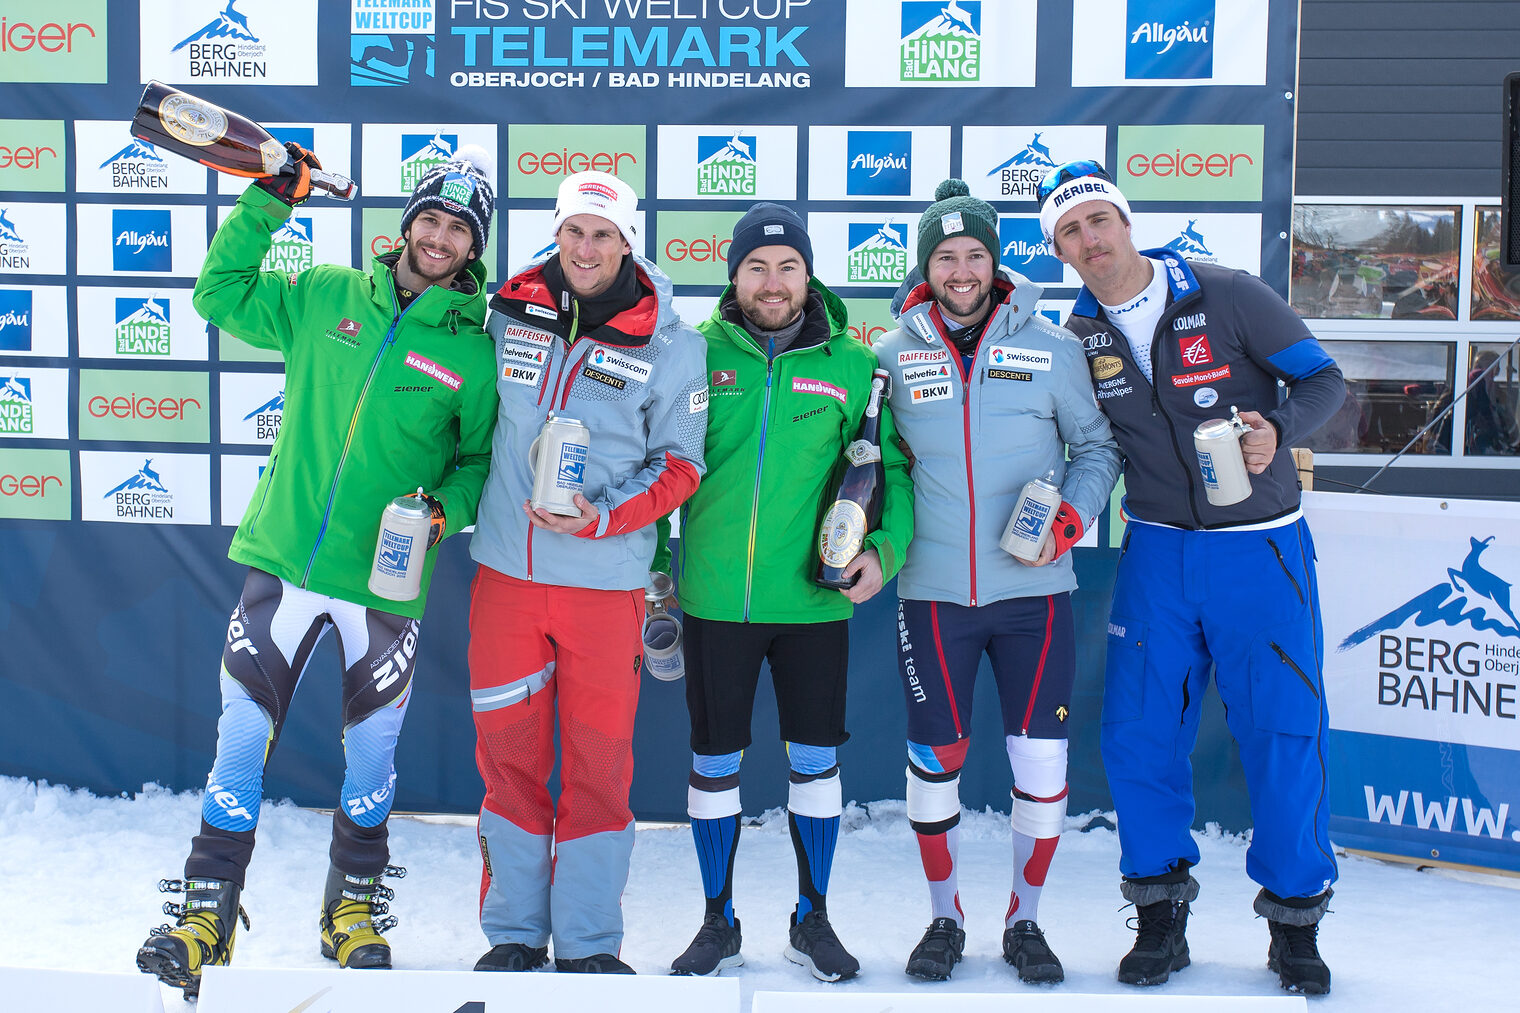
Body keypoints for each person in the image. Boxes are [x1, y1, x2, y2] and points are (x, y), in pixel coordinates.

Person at [136, 145, 500, 997]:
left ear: (472, 248)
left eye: (458, 228)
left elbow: (481, 461)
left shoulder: (477, 353)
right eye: (431, 219)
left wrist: (445, 508)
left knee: (372, 759)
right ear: (406, 223)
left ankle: (353, 910)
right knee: (237, 743)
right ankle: (205, 914)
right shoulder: (327, 295)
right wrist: (268, 202)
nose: (439, 237)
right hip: (286, 565)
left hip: (385, 586)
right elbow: (217, 294)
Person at [1041, 159, 1346, 995]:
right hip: (1159, 553)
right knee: (1139, 733)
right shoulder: (1077, 334)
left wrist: (1276, 431)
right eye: (1069, 231)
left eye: (1097, 220)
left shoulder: (1226, 291)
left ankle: (1295, 922)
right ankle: (1159, 915)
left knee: (1283, 729)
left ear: (1124, 222)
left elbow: (1325, 379)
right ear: (1060, 250)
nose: (1089, 239)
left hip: (1262, 549)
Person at [873, 179, 1121, 984]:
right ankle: (944, 916)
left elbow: (1096, 450)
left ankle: (1026, 919)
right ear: (926, 267)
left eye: (975, 253)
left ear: (996, 262)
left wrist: (1071, 521)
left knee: (1042, 765)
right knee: (933, 759)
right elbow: (872, 467)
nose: (962, 269)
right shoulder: (891, 354)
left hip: (1034, 594)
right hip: (933, 593)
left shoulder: (1051, 347)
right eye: (945, 256)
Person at [664, 204, 915, 982]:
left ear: (810, 275)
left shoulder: (853, 362)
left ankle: (813, 916)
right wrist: (647, 569)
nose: (773, 283)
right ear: (733, 275)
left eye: (789, 267)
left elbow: (893, 473)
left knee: (815, 764)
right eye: (756, 267)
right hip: (713, 601)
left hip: (813, 604)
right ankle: (718, 919)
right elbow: (651, 460)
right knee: (713, 763)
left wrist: (882, 549)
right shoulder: (691, 354)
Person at [467, 170, 708, 975]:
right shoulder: (509, 312)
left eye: (603, 235)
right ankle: (512, 932)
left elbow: (680, 468)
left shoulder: (676, 343)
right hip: (505, 577)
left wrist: (602, 518)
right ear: (556, 233)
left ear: (629, 243)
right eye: (574, 231)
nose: (586, 248)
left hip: (605, 586)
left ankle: (590, 943)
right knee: (509, 761)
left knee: (600, 768)